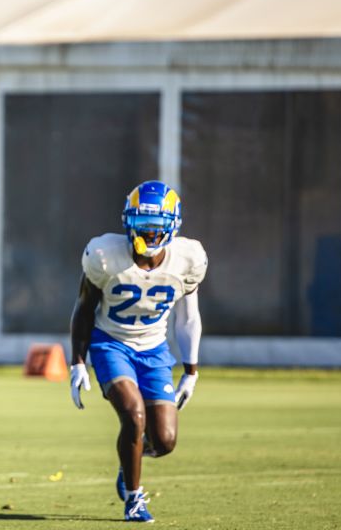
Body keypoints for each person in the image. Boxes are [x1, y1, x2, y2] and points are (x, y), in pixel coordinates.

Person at [69, 181, 208, 522]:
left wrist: (191, 371)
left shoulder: (187, 259)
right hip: (110, 343)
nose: (148, 234)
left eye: (155, 227)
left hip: (154, 350)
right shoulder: (104, 255)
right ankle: (134, 498)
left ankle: (130, 460)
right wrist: (77, 362)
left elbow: (188, 316)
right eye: (142, 226)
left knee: (164, 440)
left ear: (172, 227)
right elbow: (85, 308)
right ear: (127, 223)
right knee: (133, 415)